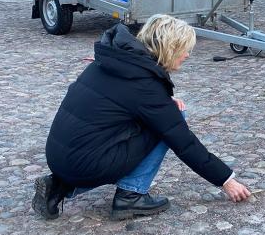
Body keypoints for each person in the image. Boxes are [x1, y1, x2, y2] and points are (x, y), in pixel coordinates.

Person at [32, 14, 251, 221]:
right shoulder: (145, 86)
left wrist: (163, 105)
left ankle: (58, 188)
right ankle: (131, 196)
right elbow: (184, 143)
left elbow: (122, 104)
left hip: (59, 157)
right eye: (185, 50)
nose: (187, 55)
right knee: (172, 122)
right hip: (85, 163)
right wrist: (226, 180)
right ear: (170, 48)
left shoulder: (112, 60)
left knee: (163, 116)